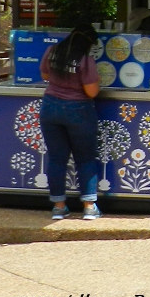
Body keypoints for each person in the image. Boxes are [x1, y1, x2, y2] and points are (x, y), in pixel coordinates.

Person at [39, 24, 101, 220]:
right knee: (85, 159)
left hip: (50, 107)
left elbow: (45, 75)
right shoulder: (86, 60)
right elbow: (91, 91)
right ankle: (89, 208)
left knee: (57, 159)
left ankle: (59, 207)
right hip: (78, 110)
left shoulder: (52, 51)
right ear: (87, 43)